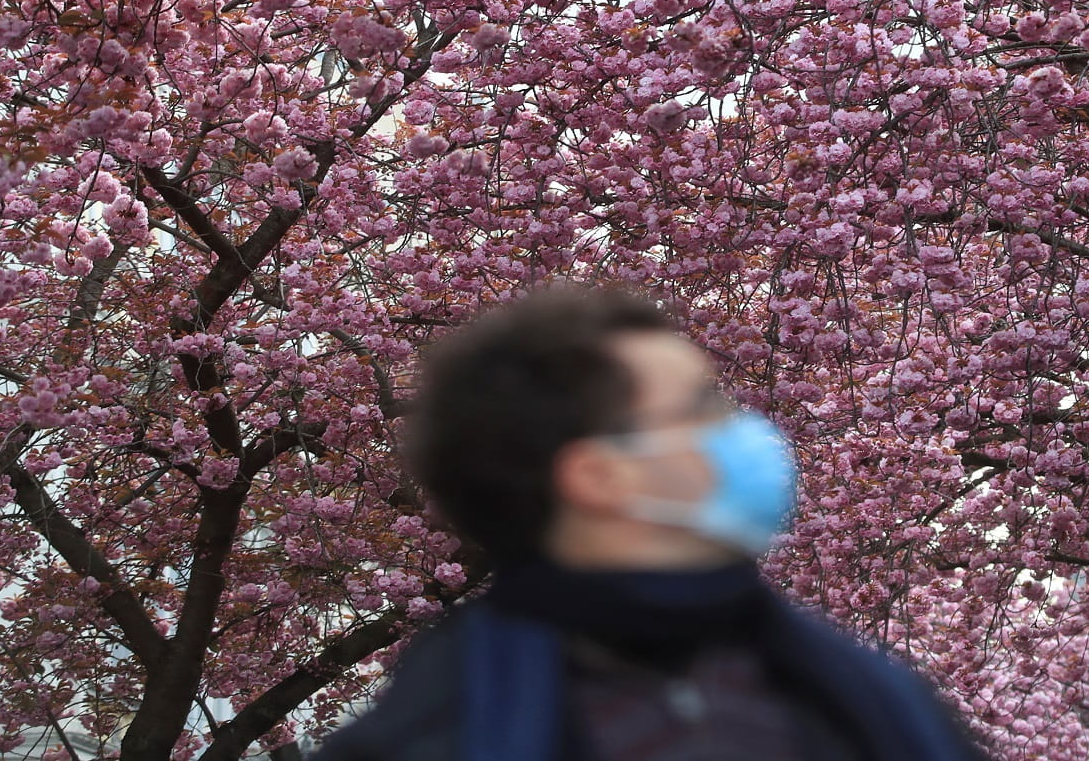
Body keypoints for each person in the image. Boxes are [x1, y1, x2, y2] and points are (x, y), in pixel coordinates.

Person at [311, 286, 986, 761]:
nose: (745, 430)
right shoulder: (432, 734)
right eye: (703, 409)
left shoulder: (872, 700)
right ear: (599, 477)